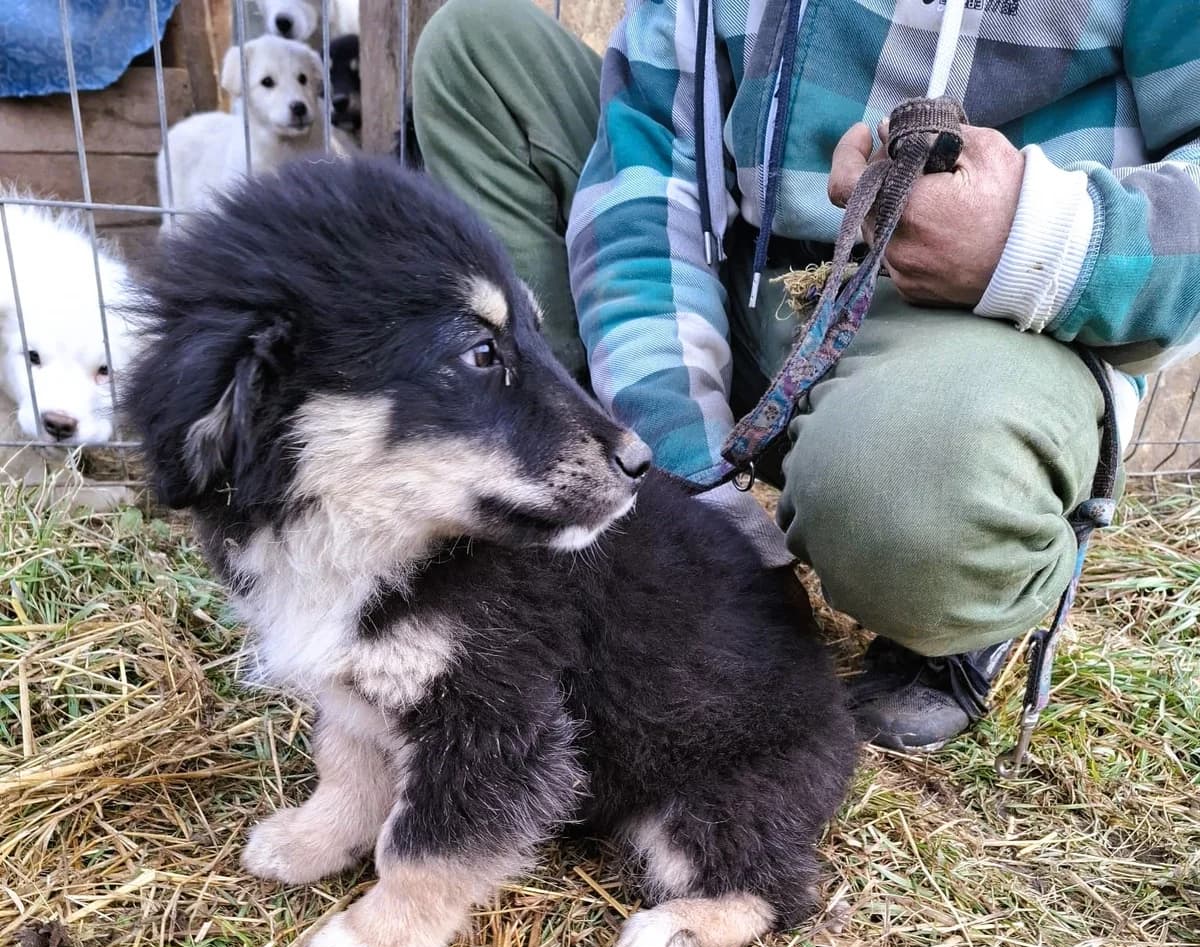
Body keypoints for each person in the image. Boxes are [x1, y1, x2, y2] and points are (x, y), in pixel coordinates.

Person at [411, 0, 1200, 751]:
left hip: (982, 310)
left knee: (917, 501)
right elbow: (649, 165)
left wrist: (1035, 238)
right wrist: (684, 483)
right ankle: (588, 500)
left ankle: (954, 587)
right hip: (745, 271)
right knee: (479, 50)